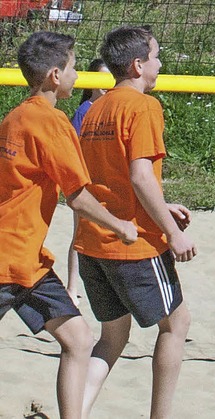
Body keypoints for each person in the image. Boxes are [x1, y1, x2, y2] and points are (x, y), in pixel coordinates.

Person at [0, 31, 137, 419]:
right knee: (79, 341)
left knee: (78, 339)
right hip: (10, 263)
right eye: (74, 68)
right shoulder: (51, 122)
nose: (79, 76)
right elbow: (77, 196)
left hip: (28, 262)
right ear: (55, 75)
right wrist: (120, 225)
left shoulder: (16, 116)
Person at [73, 26, 197, 419]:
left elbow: (110, 179)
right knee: (176, 323)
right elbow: (140, 177)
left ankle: (73, 411)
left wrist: (163, 205)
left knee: (112, 338)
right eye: (156, 56)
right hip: (133, 242)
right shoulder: (143, 106)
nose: (161, 63)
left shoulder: (95, 110)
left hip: (93, 240)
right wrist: (173, 233)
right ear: (138, 64)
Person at [67, 58, 110, 306]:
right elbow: (73, 152)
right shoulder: (84, 112)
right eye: (101, 78)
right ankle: (72, 288)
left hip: (105, 183)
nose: (106, 84)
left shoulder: (112, 109)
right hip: (85, 184)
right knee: (80, 234)